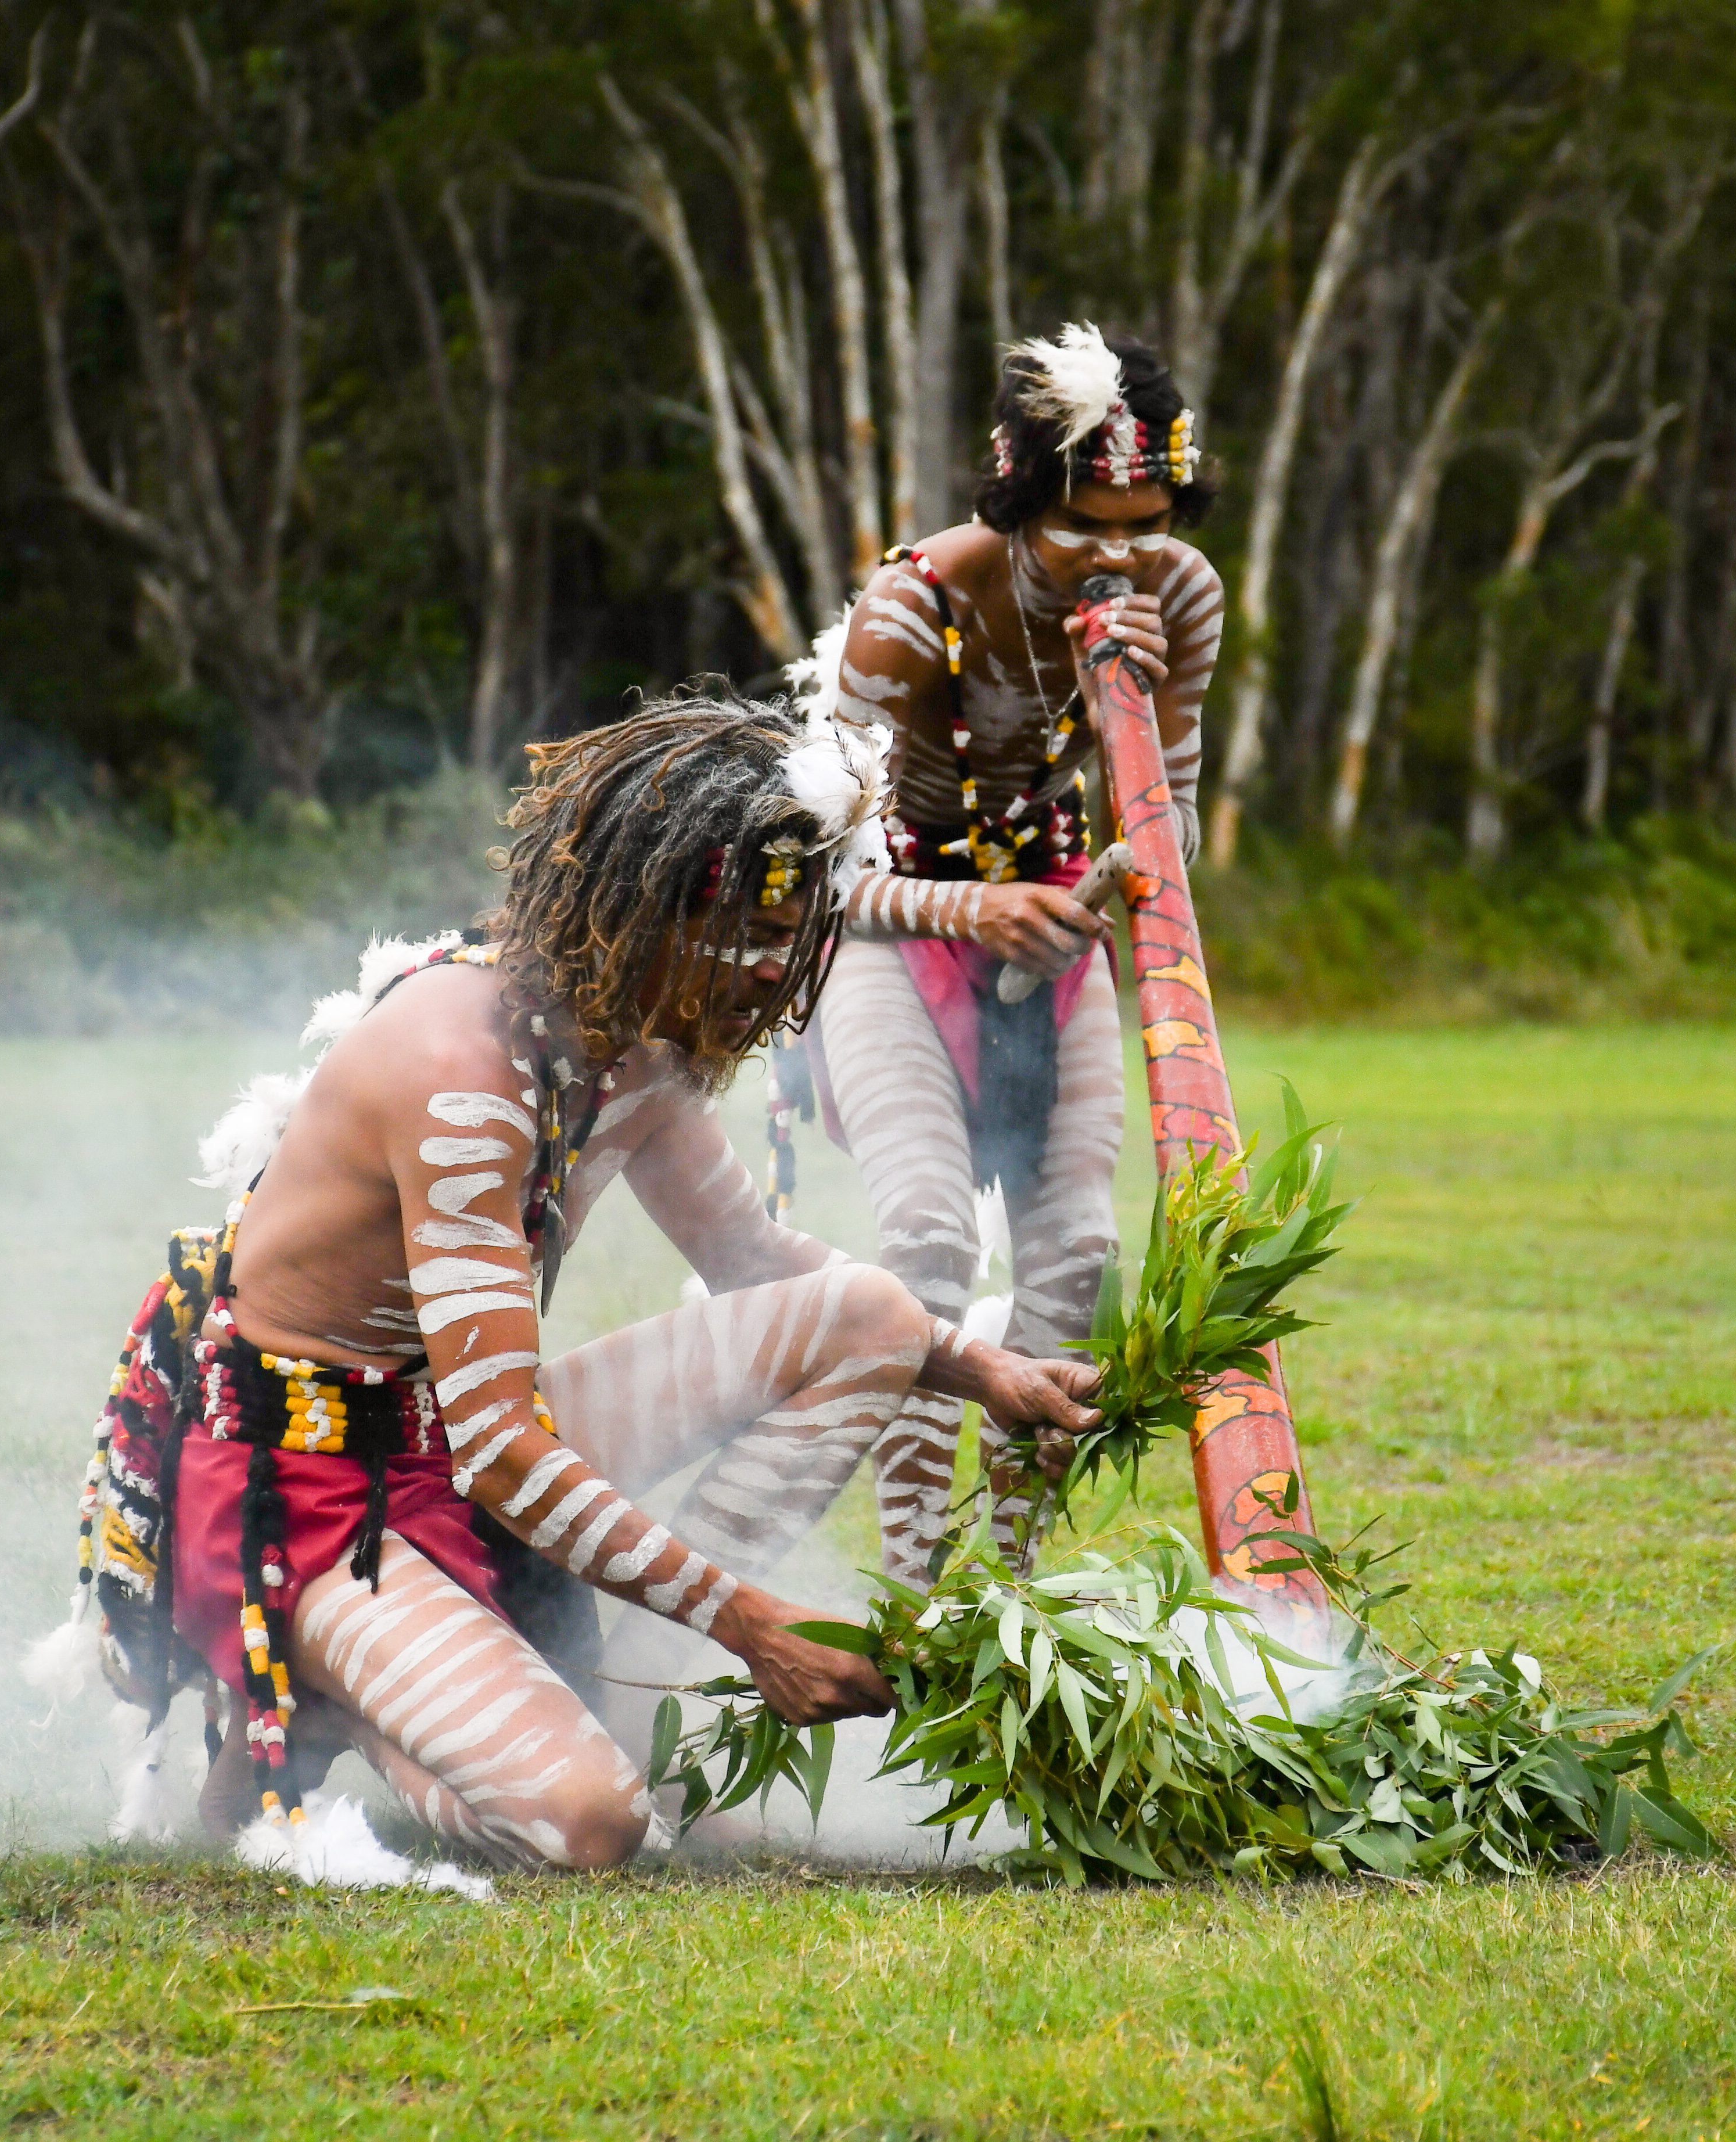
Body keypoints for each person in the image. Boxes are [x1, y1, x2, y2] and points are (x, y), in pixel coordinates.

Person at [65, 695, 1101, 1873]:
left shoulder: (633, 1044)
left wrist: (985, 1368)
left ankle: (655, 1720)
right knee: (592, 1825)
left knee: (871, 1315)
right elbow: (506, 1450)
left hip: (451, 1436)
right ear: (635, 907)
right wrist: (758, 1626)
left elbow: (758, 1263)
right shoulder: (465, 1075)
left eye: (786, 933)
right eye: (734, 932)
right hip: (313, 1495)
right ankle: (330, 1699)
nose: (763, 973)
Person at [805, 324, 1224, 1587]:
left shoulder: (1180, 595)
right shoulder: (911, 606)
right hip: (893, 920)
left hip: (1055, 913)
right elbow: (814, 874)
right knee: (927, 1240)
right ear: (1020, 497)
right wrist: (966, 915)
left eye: (1140, 525)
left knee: (1077, 1254)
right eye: (1079, 529)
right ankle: (917, 1580)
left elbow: (1175, 836)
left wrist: (1127, 717)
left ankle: (1012, 1583)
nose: (1113, 557)